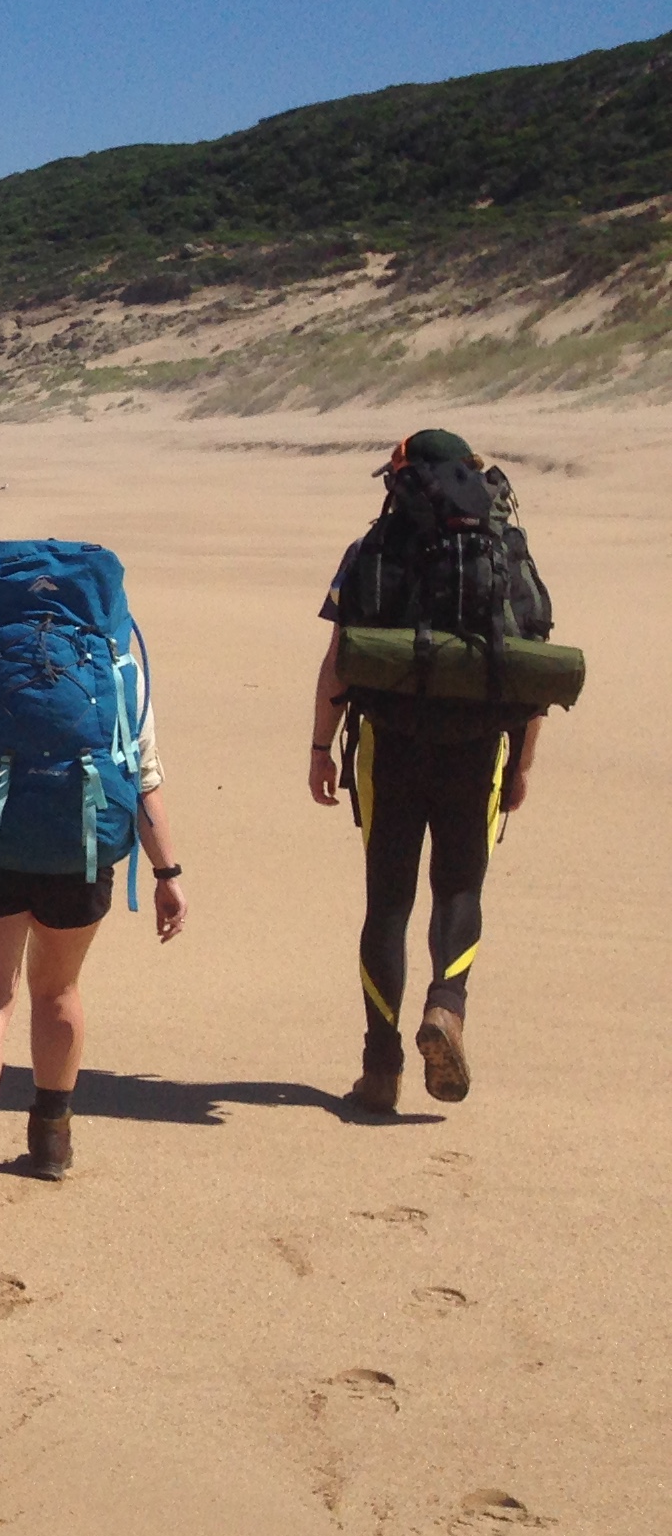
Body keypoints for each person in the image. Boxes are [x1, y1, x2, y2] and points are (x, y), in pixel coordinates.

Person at [0, 540, 188, 1218]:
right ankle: (50, 1140)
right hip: (81, 841)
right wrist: (167, 873)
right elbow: (145, 779)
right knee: (58, 988)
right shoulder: (119, 668)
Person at [307, 430, 554, 1112]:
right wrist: (523, 764)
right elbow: (531, 662)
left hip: (391, 744)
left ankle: (380, 1069)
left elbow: (339, 660)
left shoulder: (375, 547)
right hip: (479, 747)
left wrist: (321, 748)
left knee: (388, 901)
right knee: (460, 889)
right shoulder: (503, 546)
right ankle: (447, 1005)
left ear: (403, 476)